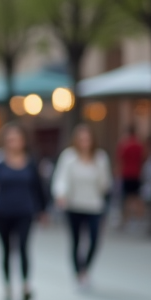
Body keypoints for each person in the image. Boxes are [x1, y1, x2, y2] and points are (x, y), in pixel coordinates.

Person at [0, 124, 48, 300]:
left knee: (23, 247)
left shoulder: (31, 163)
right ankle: (7, 287)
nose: (12, 142)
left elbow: (39, 188)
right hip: (2, 212)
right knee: (7, 249)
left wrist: (43, 211)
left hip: (25, 211)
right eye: (9, 139)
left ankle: (25, 286)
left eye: (16, 138)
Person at [51, 123, 112, 290]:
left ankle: (85, 269)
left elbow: (105, 183)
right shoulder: (69, 157)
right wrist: (61, 194)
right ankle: (78, 272)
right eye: (81, 139)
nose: (85, 142)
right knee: (76, 240)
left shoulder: (100, 158)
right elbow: (61, 179)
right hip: (74, 205)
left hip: (94, 205)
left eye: (87, 139)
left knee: (94, 240)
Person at [116, 124, 145, 227]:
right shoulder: (139, 144)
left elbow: (120, 159)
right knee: (137, 197)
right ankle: (139, 218)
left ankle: (126, 220)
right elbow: (143, 158)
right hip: (137, 173)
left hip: (127, 174)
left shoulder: (125, 144)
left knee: (126, 198)